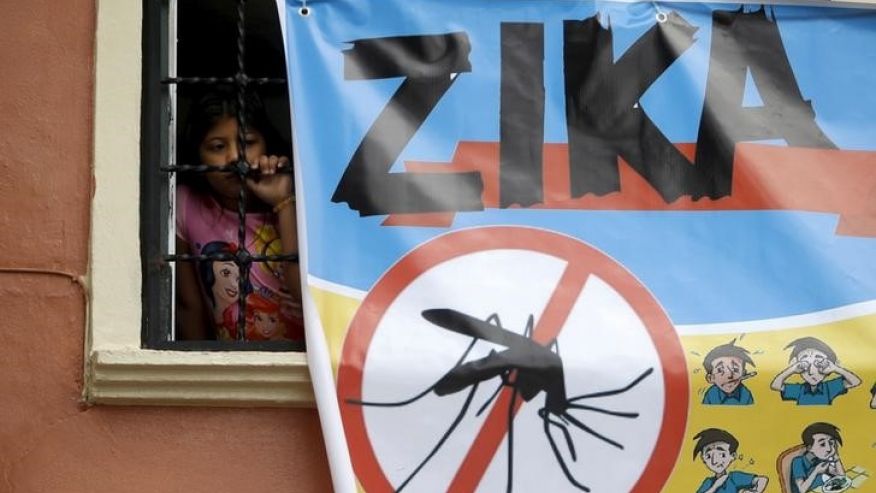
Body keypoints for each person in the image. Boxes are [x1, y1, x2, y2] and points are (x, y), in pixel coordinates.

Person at [175, 88, 303, 342]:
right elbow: (188, 306)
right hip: (230, 368)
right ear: (198, 155)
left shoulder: (299, 195)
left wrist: (283, 202)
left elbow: (303, 291)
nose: (235, 157)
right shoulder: (185, 204)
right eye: (218, 146)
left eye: (247, 143)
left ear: (266, 143)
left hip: (298, 365)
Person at [770, 337, 860, 405]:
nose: (811, 372)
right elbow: (775, 386)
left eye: (818, 364)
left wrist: (835, 368)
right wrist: (792, 369)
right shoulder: (799, 390)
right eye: (806, 365)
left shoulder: (829, 387)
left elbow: (855, 382)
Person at [692, 428, 768, 493]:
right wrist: (715, 486)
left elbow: (762, 480)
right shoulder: (708, 482)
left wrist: (754, 491)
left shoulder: (734, 477)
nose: (714, 461)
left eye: (722, 455)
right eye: (708, 456)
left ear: (733, 456)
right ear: (703, 459)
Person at [789, 422, 845, 493]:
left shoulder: (822, 459)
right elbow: (802, 490)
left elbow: (842, 477)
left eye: (831, 443)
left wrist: (836, 457)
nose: (829, 448)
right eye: (822, 444)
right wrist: (816, 471)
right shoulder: (798, 462)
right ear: (810, 448)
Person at [701, 339, 756, 405]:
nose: (729, 375)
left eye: (735, 369)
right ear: (710, 378)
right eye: (720, 370)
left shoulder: (745, 394)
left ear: (743, 373)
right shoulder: (711, 394)